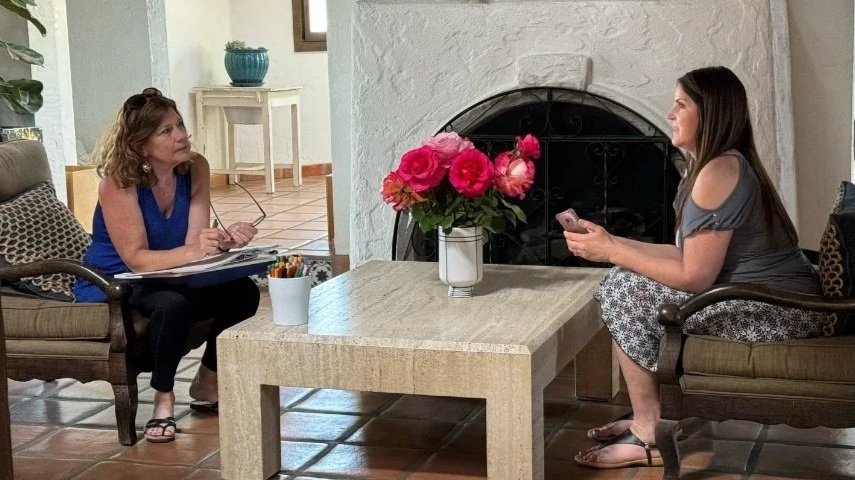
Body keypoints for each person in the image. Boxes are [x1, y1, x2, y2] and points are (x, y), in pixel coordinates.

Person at [564, 66, 827, 469]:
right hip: (771, 298)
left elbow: (695, 277)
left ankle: (649, 433)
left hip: (783, 310)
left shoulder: (718, 171)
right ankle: (651, 415)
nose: (670, 114)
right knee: (622, 278)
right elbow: (686, 255)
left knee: (621, 288)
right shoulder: (711, 166)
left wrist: (612, 253)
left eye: (681, 105)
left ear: (711, 114)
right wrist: (612, 242)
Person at [74, 88, 261, 443]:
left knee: (243, 292)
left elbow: (194, 243)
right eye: (166, 131)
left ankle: (207, 381)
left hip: (170, 274)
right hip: (120, 282)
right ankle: (163, 399)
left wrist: (221, 241)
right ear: (141, 146)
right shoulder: (117, 183)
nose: (181, 136)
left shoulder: (195, 167)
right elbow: (137, 259)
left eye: (180, 125)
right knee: (171, 305)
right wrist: (196, 250)